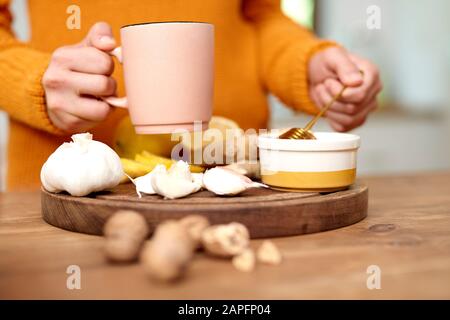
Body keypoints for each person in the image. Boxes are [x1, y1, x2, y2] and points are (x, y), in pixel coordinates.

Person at [0, 0, 382, 191]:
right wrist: (34, 83)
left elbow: (260, 13)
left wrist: (305, 65)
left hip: (236, 185)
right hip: (71, 196)